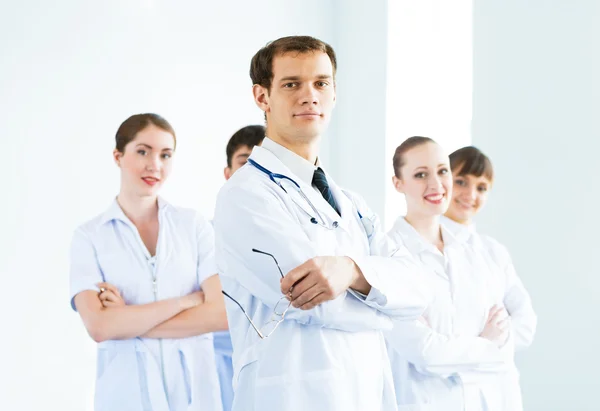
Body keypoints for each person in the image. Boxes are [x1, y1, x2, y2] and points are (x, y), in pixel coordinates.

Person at [213, 36, 431, 411]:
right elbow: (315, 305)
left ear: (333, 94)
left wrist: (350, 270)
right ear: (262, 97)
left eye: (321, 83)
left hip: (364, 393)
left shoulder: (350, 203)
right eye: (291, 84)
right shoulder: (245, 195)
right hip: (291, 396)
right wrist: (384, 298)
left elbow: (420, 290)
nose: (309, 95)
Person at [69, 113, 227, 411]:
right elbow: (100, 327)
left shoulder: (194, 227)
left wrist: (126, 319)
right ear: (118, 156)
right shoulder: (90, 237)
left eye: (165, 155)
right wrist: (188, 301)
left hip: (196, 399)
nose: (155, 164)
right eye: (143, 151)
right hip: (126, 398)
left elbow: (221, 315)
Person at [385, 136, 533, 411]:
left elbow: (524, 324)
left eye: (441, 171)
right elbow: (426, 353)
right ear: (399, 183)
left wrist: (464, 349)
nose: (435, 184)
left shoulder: (472, 252)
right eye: (420, 174)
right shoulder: (388, 254)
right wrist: (488, 346)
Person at [442, 146, 537, 354]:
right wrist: (482, 343)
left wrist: (491, 343)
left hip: (491, 379)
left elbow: (526, 322)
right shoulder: (419, 244)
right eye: (461, 182)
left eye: (482, 188)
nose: (471, 194)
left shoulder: (494, 252)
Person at [214, 124, 265, 411]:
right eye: (245, 162)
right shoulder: (204, 237)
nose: (253, 174)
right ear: (227, 173)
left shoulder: (292, 235)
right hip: (218, 371)